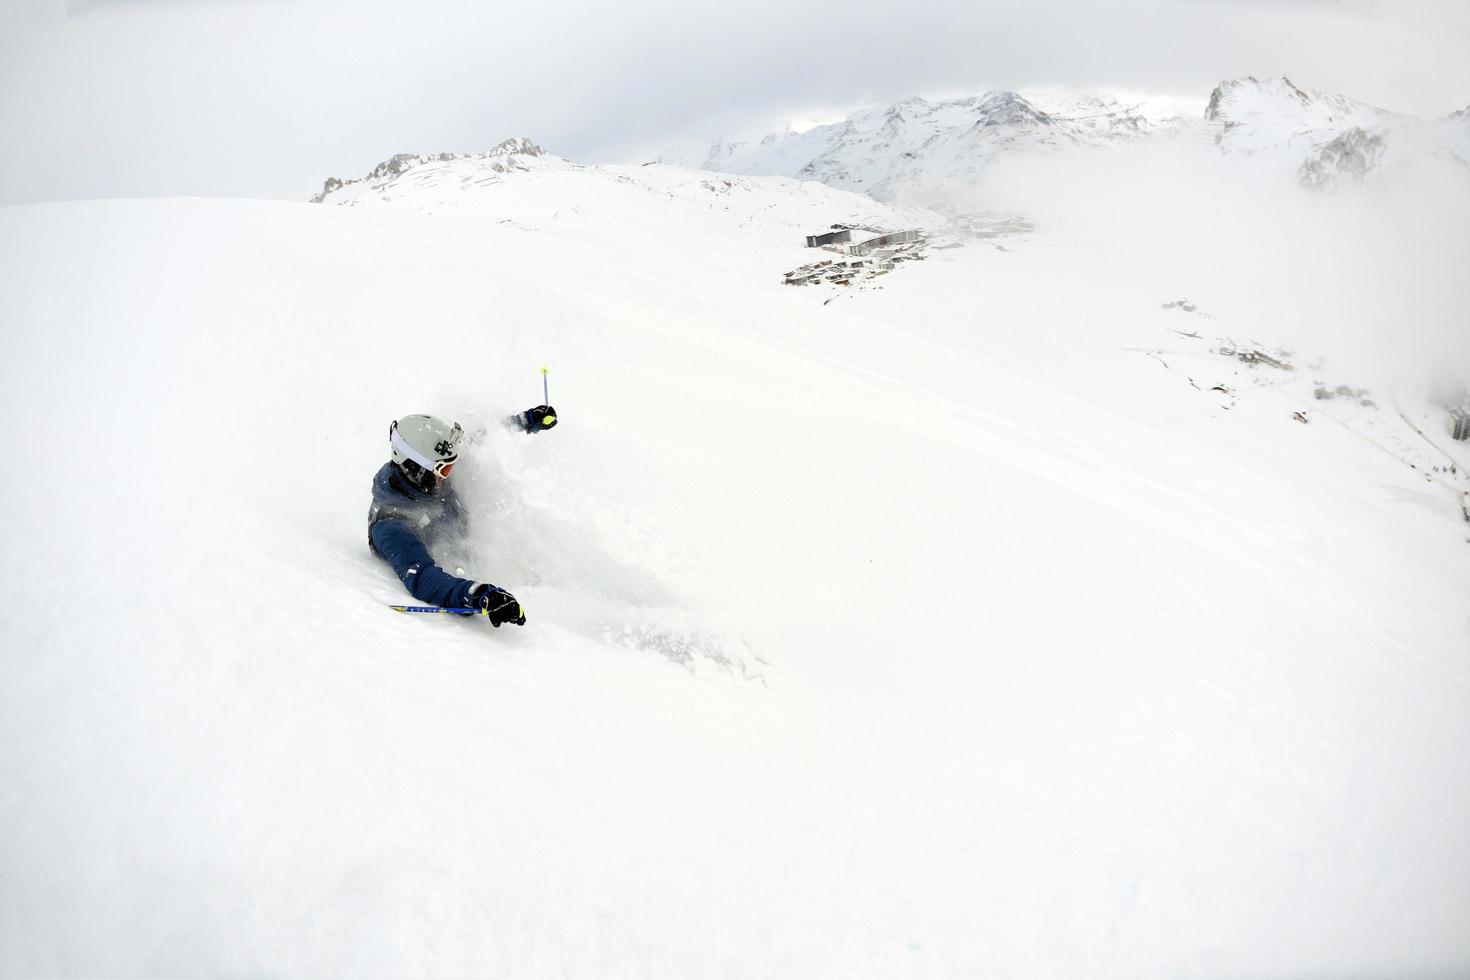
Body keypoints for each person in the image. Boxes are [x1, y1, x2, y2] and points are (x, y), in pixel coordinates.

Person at [368, 405, 558, 626]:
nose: (450, 473)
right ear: (415, 469)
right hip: (454, 570)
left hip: (471, 545)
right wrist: (479, 595)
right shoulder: (391, 524)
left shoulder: (428, 476)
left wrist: (527, 420)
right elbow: (423, 579)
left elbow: (484, 441)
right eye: (445, 470)